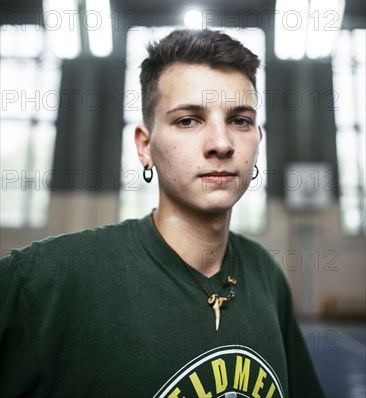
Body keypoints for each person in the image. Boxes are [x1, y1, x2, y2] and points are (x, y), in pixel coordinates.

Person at [0, 29, 326, 397]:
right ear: (144, 146)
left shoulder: (265, 274)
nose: (221, 144)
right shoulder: (48, 279)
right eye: (188, 120)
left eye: (239, 120)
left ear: (257, 139)